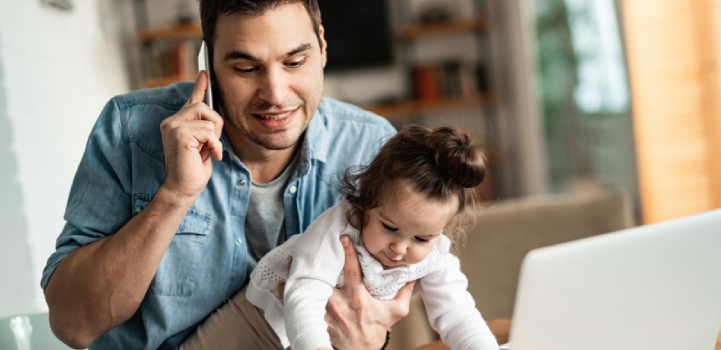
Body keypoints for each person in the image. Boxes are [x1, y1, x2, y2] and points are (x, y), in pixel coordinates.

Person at [40, 1, 414, 349]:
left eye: (295, 61)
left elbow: (384, 307)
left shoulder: (372, 146)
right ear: (208, 64)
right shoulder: (129, 129)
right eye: (246, 69)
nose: (275, 94)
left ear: (322, 48)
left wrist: (372, 338)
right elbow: (74, 324)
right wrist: (175, 195)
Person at [178, 126, 498, 350]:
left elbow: (457, 313)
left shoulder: (437, 256)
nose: (400, 248)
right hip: (256, 323)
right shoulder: (339, 228)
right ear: (366, 202)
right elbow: (304, 294)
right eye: (389, 227)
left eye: (422, 238)